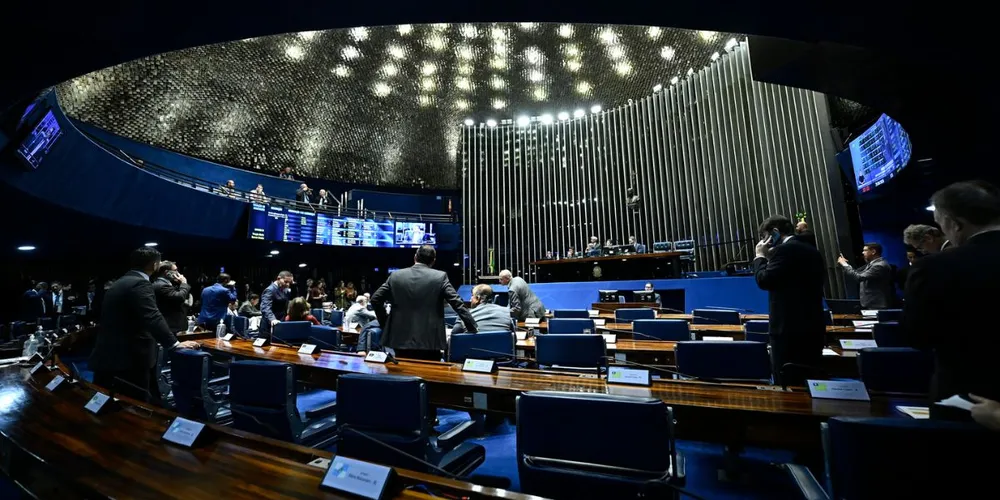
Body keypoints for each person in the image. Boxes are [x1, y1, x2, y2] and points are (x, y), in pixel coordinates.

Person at [902, 180, 1000, 420]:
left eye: (940, 223)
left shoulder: (935, 267)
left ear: (955, 224)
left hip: (968, 401)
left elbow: (916, 336)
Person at [89, 247, 199, 403]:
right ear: (155, 265)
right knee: (135, 404)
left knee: (106, 400)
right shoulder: (140, 284)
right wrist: (174, 344)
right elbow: (152, 316)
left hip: (110, 352)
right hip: (130, 357)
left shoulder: (120, 282)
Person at [752, 215, 826, 385]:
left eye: (765, 236)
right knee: (812, 383)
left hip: (789, 330)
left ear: (775, 233)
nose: (764, 241)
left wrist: (760, 257)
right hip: (813, 327)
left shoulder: (785, 250)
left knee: (788, 384)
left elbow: (764, 280)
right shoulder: (811, 249)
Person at [371, 245, 477, 360]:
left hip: (399, 338)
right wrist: (471, 327)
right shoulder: (440, 277)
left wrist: (385, 323)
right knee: (430, 374)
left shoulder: (396, 276)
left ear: (415, 257)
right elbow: (457, 303)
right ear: (433, 261)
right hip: (430, 340)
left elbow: (375, 299)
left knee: (402, 373)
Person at [837, 242, 895, 309]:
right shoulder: (871, 264)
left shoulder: (879, 265)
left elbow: (858, 277)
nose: (862, 252)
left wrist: (845, 264)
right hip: (871, 304)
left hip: (877, 305)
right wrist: (845, 265)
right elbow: (856, 272)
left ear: (873, 251)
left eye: (865, 250)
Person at [451, 284, 516, 334]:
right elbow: (513, 340)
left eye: (472, 296)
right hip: (501, 351)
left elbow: (454, 337)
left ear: (478, 298)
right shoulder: (506, 313)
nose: (470, 299)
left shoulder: (465, 315)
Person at [151, 260, 192, 333]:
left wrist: (180, 284)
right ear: (166, 272)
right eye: (175, 270)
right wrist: (184, 283)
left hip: (169, 325)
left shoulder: (162, 284)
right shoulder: (162, 285)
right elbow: (180, 297)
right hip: (169, 325)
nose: (178, 273)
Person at [260, 271, 294, 337]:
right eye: (286, 282)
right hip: (269, 325)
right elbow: (265, 307)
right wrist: (272, 319)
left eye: (290, 282)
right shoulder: (270, 290)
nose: (287, 284)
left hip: (281, 323)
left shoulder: (284, 289)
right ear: (278, 278)